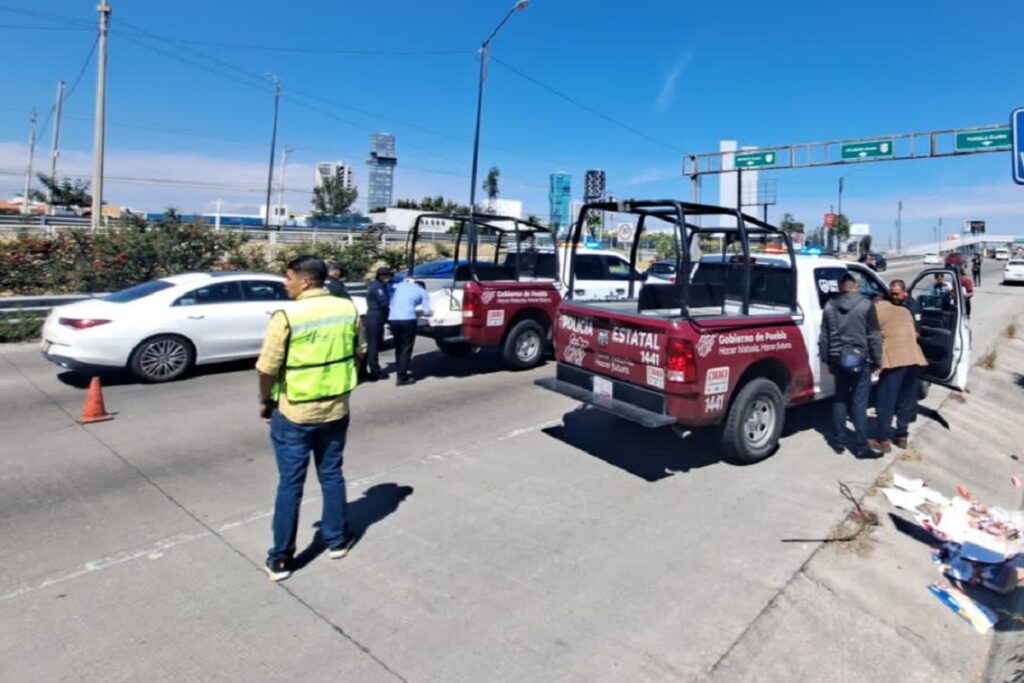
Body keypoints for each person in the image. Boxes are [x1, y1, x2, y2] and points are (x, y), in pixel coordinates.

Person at [256, 255, 366, 582]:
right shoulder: (347, 309)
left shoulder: (287, 315)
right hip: (336, 408)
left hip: (295, 410)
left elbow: (266, 368)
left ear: (305, 280)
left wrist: (265, 400)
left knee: (290, 483)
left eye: (288, 278)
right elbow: (360, 352)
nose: (285, 284)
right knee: (331, 474)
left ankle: (281, 559)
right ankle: (336, 541)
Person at [819, 273, 883, 458]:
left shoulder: (829, 305)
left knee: (840, 399)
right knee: (859, 403)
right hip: (860, 360)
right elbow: (874, 336)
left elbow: (824, 336)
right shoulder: (866, 305)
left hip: (838, 359)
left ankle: (839, 441)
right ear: (855, 286)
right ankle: (861, 447)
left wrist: (827, 358)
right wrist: (878, 360)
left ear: (840, 287)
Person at [869, 295, 928, 453]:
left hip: (894, 360)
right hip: (914, 358)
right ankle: (902, 435)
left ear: (875, 304)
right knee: (906, 399)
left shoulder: (875, 312)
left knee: (885, 401)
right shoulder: (903, 310)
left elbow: (872, 337)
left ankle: (883, 439)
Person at [388, 277, 432, 386]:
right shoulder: (422, 291)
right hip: (408, 319)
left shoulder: (400, 286)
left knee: (398, 346)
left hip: (393, 319)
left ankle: (399, 368)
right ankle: (402, 377)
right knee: (406, 347)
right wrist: (423, 312)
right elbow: (427, 311)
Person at [363, 267, 392, 381]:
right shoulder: (377, 287)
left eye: (387, 275)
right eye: (384, 275)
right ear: (379, 276)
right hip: (375, 317)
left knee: (375, 345)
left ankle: (368, 369)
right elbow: (384, 302)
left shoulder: (378, 285)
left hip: (377, 317)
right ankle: (375, 371)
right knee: (373, 346)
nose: (386, 277)